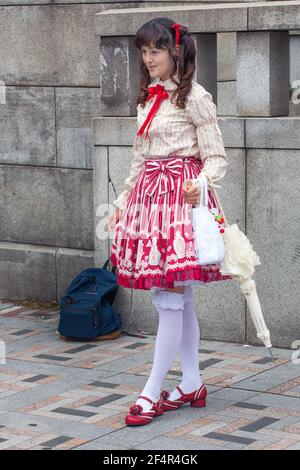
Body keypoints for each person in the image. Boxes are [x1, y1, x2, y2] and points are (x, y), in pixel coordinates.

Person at [106, 17, 232, 426]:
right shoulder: (148, 99)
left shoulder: (195, 97)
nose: (147, 59)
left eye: (154, 51)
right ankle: (191, 382)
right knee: (178, 299)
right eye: (143, 52)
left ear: (176, 52)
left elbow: (217, 157)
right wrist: (123, 201)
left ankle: (150, 390)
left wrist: (201, 181)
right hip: (150, 203)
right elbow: (139, 161)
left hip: (181, 205)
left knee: (171, 299)